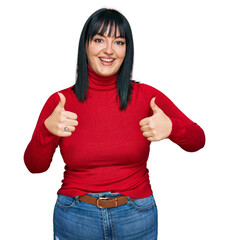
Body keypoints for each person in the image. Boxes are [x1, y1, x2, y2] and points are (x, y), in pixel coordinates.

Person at [24, 8, 205, 240]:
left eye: (118, 42)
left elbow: (197, 140)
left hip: (136, 217)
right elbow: (34, 166)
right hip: (75, 217)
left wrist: (172, 127)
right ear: (85, 45)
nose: (108, 50)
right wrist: (46, 132)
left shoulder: (146, 96)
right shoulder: (61, 102)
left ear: (126, 50)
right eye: (99, 39)